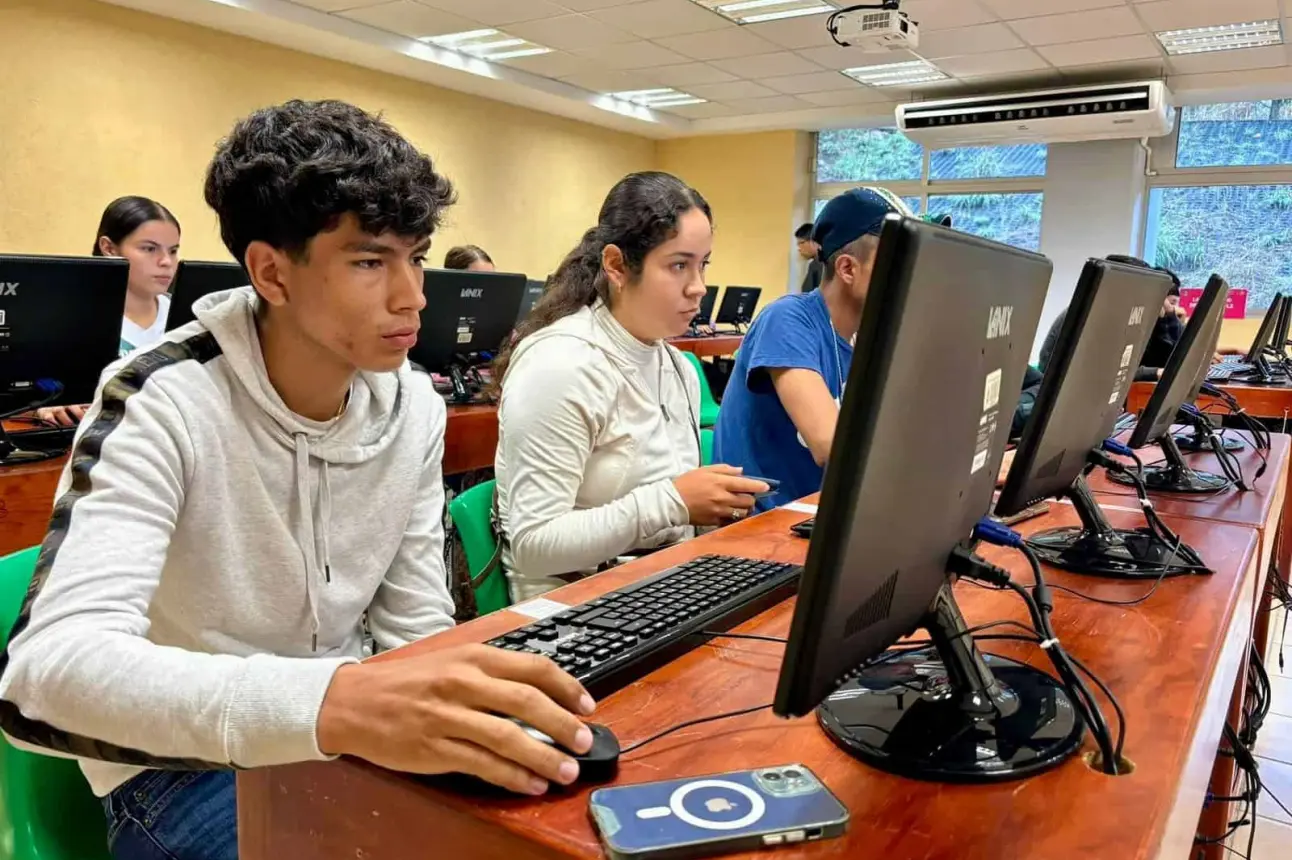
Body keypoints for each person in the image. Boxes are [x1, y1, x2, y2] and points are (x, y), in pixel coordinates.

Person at [0, 100, 598, 860]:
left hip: (340, 729)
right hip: (180, 769)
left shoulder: (412, 403)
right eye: (369, 261)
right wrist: (333, 701)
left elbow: (416, 624)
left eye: (415, 256)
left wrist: (463, 717)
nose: (412, 294)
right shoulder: (158, 399)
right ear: (270, 272)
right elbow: (45, 676)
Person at [492, 171, 768, 601]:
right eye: (679, 265)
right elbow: (534, 547)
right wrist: (674, 502)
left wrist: (712, 507)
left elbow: (670, 511)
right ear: (617, 265)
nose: (698, 288)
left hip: (659, 585)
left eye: (703, 264)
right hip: (570, 605)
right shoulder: (561, 364)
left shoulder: (675, 364)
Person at [714, 187, 911, 512]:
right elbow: (832, 447)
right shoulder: (788, 319)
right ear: (848, 269)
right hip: (762, 529)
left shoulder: (871, 340)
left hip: (824, 517)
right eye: (899, 259)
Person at [34, 196, 182, 426]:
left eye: (173, 251)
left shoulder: (187, 316)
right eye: (149, 248)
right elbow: (38, 385)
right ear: (109, 248)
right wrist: (45, 405)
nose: (166, 262)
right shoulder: (69, 317)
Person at [1037, 255, 1186, 380]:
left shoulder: (1121, 314)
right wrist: (1153, 372)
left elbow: (1163, 358)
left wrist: (1167, 318)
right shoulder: (1093, 315)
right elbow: (1106, 371)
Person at [795, 222, 823, 293]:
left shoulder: (820, 265)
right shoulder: (815, 264)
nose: (799, 248)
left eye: (801, 243)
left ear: (813, 241)